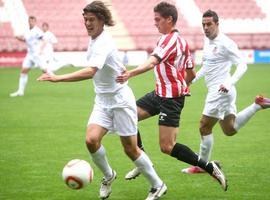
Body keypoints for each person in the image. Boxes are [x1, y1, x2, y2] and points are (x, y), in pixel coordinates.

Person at [37, 1, 167, 200]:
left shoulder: (104, 41)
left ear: (102, 20)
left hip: (120, 101)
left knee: (131, 149)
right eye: (85, 20)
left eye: (92, 20)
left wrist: (58, 78)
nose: (88, 24)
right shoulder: (94, 39)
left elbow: (91, 71)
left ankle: (157, 185)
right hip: (102, 101)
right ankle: (108, 176)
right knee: (91, 140)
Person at [116, 2, 227, 191]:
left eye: (157, 20)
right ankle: (142, 161)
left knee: (167, 146)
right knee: (127, 116)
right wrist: (183, 84)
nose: (155, 23)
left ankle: (209, 167)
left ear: (169, 19)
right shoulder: (180, 42)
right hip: (160, 93)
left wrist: (130, 74)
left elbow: (152, 63)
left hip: (171, 99)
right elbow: (190, 74)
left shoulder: (170, 41)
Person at [181, 10, 270, 174]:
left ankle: (202, 166)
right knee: (229, 129)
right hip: (222, 92)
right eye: (203, 25)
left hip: (221, 91)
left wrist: (229, 82)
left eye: (209, 24)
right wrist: (190, 81)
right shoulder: (207, 41)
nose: (206, 28)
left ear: (217, 24)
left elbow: (242, 65)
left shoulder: (226, 43)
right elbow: (207, 67)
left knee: (204, 127)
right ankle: (257, 105)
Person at [10, 16, 44, 97]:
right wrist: (19, 38)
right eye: (29, 21)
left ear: (35, 22)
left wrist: (41, 49)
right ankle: (20, 91)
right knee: (23, 71)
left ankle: (61, 78)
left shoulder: (37, 31)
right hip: (30, 54)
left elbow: (43, 39)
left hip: (37, 54)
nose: (30, 22)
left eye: (32, 21)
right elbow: (26, 40)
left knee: (47, 71)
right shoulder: (27, 31)